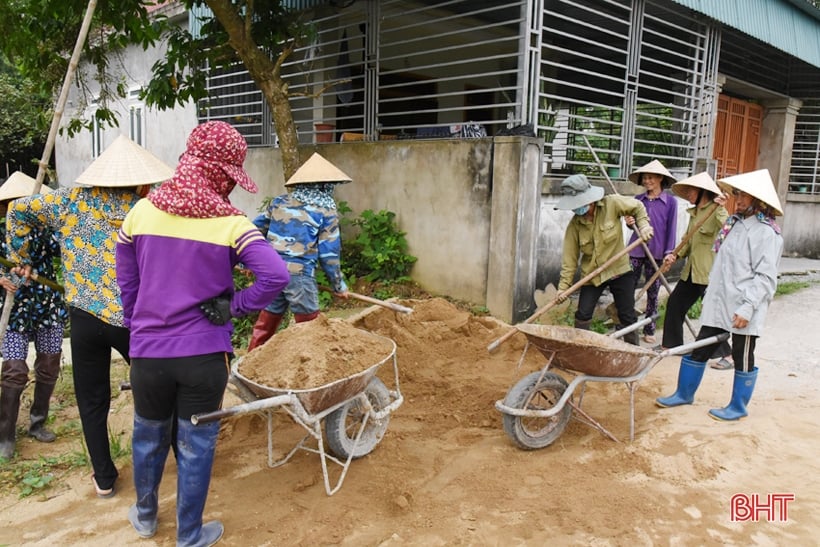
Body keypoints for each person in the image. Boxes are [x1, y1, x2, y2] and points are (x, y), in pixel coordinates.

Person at [116, 121, 289, 546]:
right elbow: (277, 275)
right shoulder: (231, 224)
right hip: (203, 357)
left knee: (147, 437)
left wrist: (139, 326)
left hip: (149, 356)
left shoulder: (141, 212)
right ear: (221, 173)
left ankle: (145, 517)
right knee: (194, 447)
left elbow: (128, 284)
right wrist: (236, 306)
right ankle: (189, 535)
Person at [6, 136, 173, 496]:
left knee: (92, 399)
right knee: (160, 390)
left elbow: (18, 210)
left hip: (83, 318)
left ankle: (104, 478)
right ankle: (179, 452)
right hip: (135, 319)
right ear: (141, 180)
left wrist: (21, 257)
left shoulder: (69, 201)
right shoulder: (153, 207)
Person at [656, 169, 783, 421]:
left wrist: (748, 308)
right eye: (739, 194)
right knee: (701, 347)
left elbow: (765, 277)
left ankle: (738, 406)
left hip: (745, 304)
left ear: (759, 200)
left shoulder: (766, 233)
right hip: (720, 300)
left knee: (742, 353)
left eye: (745, 195)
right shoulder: (734, 224)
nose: (739, 198)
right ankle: (684, 393)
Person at [247, 152, 350, 351]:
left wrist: (249, 262)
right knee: (310, 327)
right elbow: (329, 255)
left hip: (271, 271)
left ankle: (248, 365)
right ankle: (308, 371)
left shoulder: (279, 202)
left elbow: (252, 231)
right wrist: (339, 286)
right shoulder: (325, 212)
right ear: (324, 186)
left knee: (267, 321)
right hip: (299, 275)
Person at [0, 172, 68, 460]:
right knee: (14, 370)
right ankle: (5, 435)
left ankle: (38, 422)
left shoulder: (44, 231)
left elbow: (65, 250)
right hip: (13, 311)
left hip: (47, 306)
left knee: (49, 364)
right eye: (11, 204)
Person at [554, 174, 654, 346]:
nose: (575, 209)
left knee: (626, 314)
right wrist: (563, 288)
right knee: (583, 314)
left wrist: (643, 225)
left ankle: (632, 352)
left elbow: (638, 207)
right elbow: (569, 260)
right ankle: (581, 349)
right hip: (593, 275)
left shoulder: (611, 204)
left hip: (619, 270)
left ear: (589, 200)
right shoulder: (575, 225)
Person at [658, 172, 730, 360]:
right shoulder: (695, 213)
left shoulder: (716, 210)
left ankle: (728, 355)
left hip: (708, 273)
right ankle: (671, 345)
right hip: (691, 271)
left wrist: (721, 208)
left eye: (691, 191)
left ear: (702, 192)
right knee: (675, 303)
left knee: (713, 313)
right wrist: (675, 254)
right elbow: (688, 242)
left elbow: (727, 228)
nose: (688, 194)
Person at [624, 160, 678, 345]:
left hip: (657, 252)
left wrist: (669, 253)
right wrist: (629, 222)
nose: (647, 181)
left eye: (650, 178)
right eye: (645, 178)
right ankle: (627, 326)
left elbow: (671, 229)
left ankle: (649, 328)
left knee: (653, 292)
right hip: (636, 250)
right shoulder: (638, 201)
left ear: (660, 178)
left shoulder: (671, 202)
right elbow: (633, 226)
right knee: (627, 288)